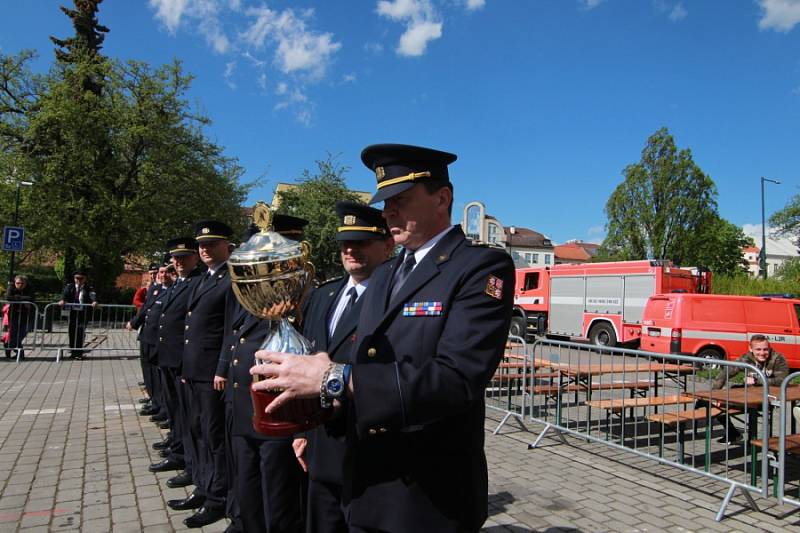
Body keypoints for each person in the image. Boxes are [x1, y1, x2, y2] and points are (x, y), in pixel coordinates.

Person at [252, 144, 516, 532]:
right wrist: (314, 427)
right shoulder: (386, 275)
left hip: (426, 494)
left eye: (401, 199)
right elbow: (365, 364)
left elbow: (457, 377)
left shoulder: (480, 268)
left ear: (442, 198)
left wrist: (331, 377)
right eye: (385, 201)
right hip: (364, 480)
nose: (388, 210)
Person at [293, 201, 394, 533]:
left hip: (367, 450)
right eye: (345, 242)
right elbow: (308, 363)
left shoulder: (396, 297)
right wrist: (303, 432)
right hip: (321, 445)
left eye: (362, 242)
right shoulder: (324, 295)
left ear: (388, 245)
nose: (350, 249)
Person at [224, 213, 311, 533]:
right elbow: (232, 336)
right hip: (245, 405)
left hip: (277, 409)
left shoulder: (300, 294)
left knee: (279, 497)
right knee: (248, 487)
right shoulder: (249, 291)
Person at [172, 220, 233, 529]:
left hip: (212, 374)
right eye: (202, 245)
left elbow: (228, 330)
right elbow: (189, 329)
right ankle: (204, 483)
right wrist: (185, 368)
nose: (205, 249)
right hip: (194, 370)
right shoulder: (202, 279)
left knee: (214, 435)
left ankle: (218, 496)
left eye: (212, 244)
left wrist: (222, 368)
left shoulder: (230, 279)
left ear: (227, 246)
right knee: (197, 430)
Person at [154, 238, 204, 492]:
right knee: (175, 412)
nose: (178, 262)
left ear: (194, 257)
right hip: (170, 358)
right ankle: (178, 451)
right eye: (175, 258)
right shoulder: (178, 284)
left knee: (188, 418)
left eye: (184, 257)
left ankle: (187, 460)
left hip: (184, 360)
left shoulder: (196, 283)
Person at [708, 334, 789, 443]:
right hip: (749, 395)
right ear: (750, 349)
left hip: (769, 398)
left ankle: (755, 442)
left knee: (729, 404)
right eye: (758, 349)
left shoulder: (778, 358)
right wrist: (715, 395)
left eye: (765, 349)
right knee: (711, 403)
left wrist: (757, 380)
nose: (762, 353)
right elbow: (725, 373)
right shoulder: (746, 358)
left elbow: (782, 381)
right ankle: (733, 433)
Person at [58, 271, 97, 360]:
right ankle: (73, 351)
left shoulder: (89, 288)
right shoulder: (70, 286)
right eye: (77, 278)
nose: (79, 280)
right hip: (72, 312)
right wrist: (63, 300)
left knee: (79, 331)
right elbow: (65, 294)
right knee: (72, 331)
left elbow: (92, 295)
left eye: (81, 278)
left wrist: (94, 301)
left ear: (85, 279)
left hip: (83, 313)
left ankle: (79, 353)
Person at [5, 275, 34, 360]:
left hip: (27, 315)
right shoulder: (11, 286)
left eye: (22, 283)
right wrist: (23, 299)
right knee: (13, 334)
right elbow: (8, 297)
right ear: (15, 282)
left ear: (25, 283)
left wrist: (16, 298)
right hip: (14, 314)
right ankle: (20, 354)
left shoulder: (30, 287)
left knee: (21, 334)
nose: (19, 285)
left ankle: (8, 345)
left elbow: (31, 298)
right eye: (18, 283)